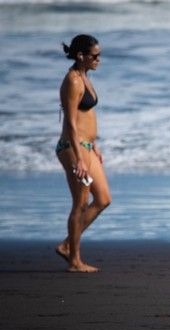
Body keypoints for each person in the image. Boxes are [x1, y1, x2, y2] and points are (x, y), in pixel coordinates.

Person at [54, 34, 111, 272]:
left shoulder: (84, 76)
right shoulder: (73, 81)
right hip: (72, 148)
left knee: (103, 199)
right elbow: (70, 123)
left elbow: (86, 115)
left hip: (87, 147)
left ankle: (68, 244)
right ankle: (75, 261)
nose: (99, 59)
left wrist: (94, 143)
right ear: (81, 56)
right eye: (95, 56)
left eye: (99, 55)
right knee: (80, 203)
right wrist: (79, 159)